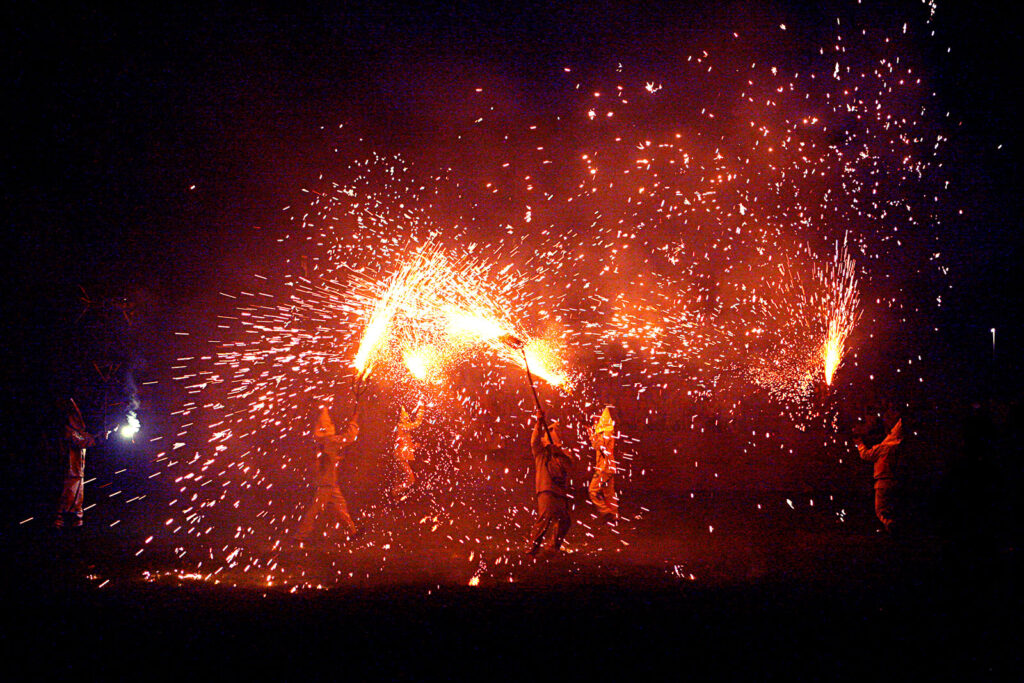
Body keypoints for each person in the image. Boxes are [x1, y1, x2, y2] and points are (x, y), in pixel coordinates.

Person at [294, 406, 360, 540]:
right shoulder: (330, 441)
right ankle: (300, 535)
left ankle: (352, 532)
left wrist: (337, 457)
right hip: (326, 483)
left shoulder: (320, 441)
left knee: (341, 507)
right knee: (315, 509)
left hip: (327, 481)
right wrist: (354, 419)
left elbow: (328, 455)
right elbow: (350, 437)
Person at [527, 413, 574, 557]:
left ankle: (552, 547)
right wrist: (539, 423)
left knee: (565, 521)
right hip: (546, 489)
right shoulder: (541, 451)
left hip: (559, 492)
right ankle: (532, 550)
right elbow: (534, 441)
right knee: (545, 519)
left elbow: (568, 465)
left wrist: (557, 452)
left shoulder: (564, 452)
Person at [854, 413, 904, 534]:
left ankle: (892, 527)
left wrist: (859, 443)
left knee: (880, 510)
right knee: (892, 508)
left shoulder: (883, 448)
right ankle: (894, 532)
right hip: (895, 481)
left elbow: (865, 455)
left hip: (882, 482)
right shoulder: (897, 448)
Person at [53, 398, 99, 528]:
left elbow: (86, 438)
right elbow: (83, 441)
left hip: (76, 471)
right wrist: (100, 438)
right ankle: (59, 525)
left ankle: (76, 524)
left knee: (77, 500)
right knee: (67, 500)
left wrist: (103, 434)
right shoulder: (70, 431)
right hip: (71, 471)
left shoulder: (75, 432)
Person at [588, 405, 619, 522]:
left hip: (604, 468)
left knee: (592, 490)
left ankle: (606, 513)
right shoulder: (604, 432)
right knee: (609, 493)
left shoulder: (607, 432)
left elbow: (598, 446)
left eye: (597, 417)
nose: (594, 419)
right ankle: (614, 516)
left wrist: (591, 435)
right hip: (607, 467)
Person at [392, 405, 422, 496]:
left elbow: (403, 444)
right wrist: (421, 409)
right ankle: (394, 493)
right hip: (400, 458)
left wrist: (414, 446)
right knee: (410, 479)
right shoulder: (402, 426)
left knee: (398, 480)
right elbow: (417, 423)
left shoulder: (401, 428)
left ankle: (395, 499)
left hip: (400, 457)